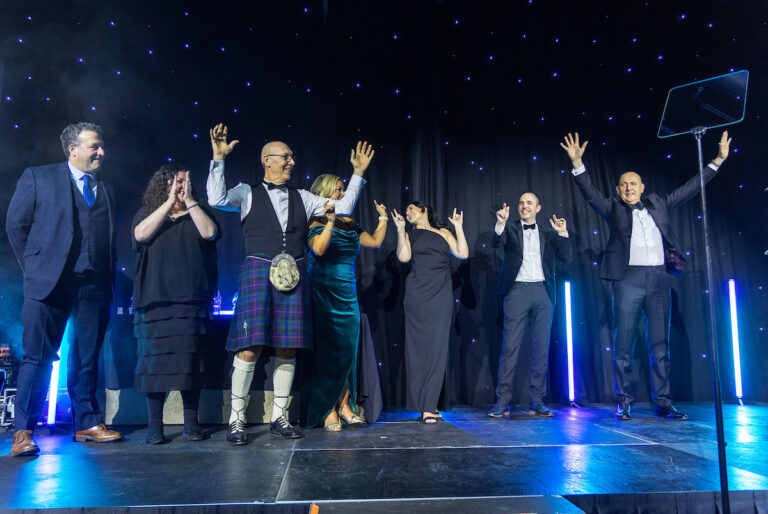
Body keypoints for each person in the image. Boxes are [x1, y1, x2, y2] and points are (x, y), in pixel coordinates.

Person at [206, 124, 374, 443]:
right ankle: (237, 419)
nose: (292, 162)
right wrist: (218, 159)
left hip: (294, 277)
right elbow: (215, 198)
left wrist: (358, 175)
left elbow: (345, 207)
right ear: (267, 160)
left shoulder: (304, 197)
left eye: (292, 158)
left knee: (287, 347)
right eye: (286, 157)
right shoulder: (246, 192)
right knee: (249, 348)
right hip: (258, 272)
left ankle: (280, 417)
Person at [560, 131, 731, 420]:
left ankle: (663, 402)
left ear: (643, 187)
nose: (629, 188)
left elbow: (691, 188)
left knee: (659, 345)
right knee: (624, 343)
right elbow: (589, 194)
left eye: (633, 184)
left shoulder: (659, 204)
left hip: (659, 279)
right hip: (628, 280)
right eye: (624, 184)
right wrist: (578, 164)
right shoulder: (613, 209)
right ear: (618, 190)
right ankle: (623, 401)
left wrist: (717, 161)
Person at [6, 122, 122, 456]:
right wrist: (34, 266)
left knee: (87, 357)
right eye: (94, 146)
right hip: (48, 283)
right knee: (37, 357)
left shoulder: (107, 188)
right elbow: (16, 225)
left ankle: (86, 423)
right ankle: (24, 431)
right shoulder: (38, 177)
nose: (101, 152)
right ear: (72, 149)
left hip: (93, 284)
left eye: (101, 146)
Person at [132, 164, 220, 444]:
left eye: (184, 182)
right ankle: (155, 426)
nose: (181, 186)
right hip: (156, 299)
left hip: (192, 299)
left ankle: (191, 424)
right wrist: (169, 202)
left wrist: (191, 201)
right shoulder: (149, 212)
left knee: (190, 363)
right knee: (155, 364)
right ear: (164, 185)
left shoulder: (199, 211)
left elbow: (209, 233)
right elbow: (140, 235)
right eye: (176, 182)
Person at [302, 175, 388, 431]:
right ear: (323, 193)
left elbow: (374, 241)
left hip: (348, 293)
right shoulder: (313, 220)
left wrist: (383, 218)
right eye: (337, 190)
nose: (341, 194)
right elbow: (318, 250)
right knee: (328, 352)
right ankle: (327, 408)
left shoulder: (349, 222)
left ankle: (345, 404)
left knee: (348, 350)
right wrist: (329, 222)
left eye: (342, 190)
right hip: (323, 291)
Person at [488, 192, 573, 419]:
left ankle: (537, 401)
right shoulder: (511, 228)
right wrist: (500, 223)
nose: (524, 206)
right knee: (510, 348)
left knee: (541, 349)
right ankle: (502, 401)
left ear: (538, 208)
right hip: (517, 291)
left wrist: (562, 233)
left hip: (544, 292)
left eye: (529, 203)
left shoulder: (548, 232)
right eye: (521, 203)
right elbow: (495, 243)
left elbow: (568, 258)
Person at [391, 202, 468, 423]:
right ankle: (424, 406)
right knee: (417, 350)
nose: (408, 213)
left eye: (412, 209)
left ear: (424, 210)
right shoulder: (410, 234)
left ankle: (429, 405)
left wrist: (459, 227)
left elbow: (462, 253)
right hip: (417, 294)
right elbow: (404, 258)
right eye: (406, 211)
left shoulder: (443, 232)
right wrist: (399, 229)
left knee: (438, 348)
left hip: (440, 295)